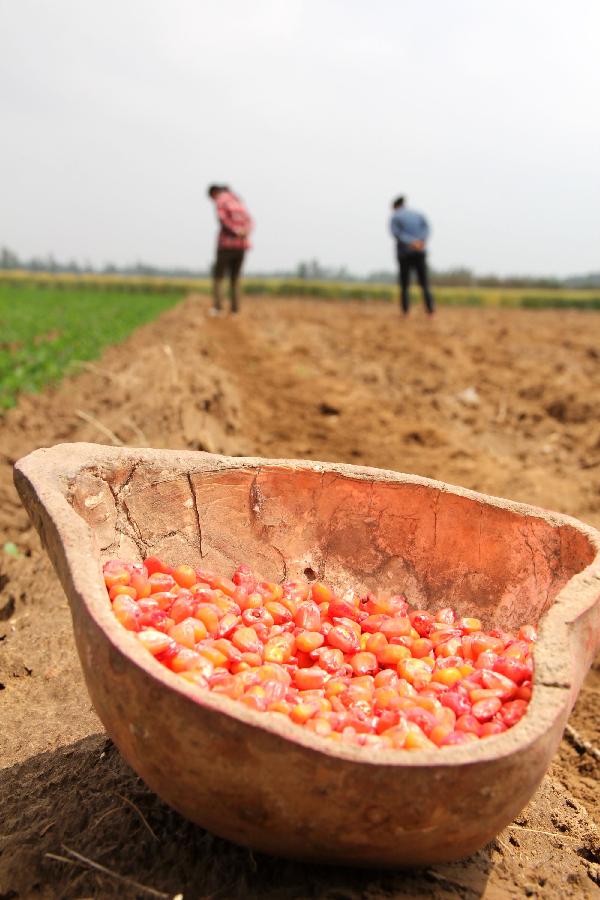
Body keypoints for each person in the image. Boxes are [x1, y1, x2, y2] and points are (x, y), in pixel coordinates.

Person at [207, 184, 253, 315]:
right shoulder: (238, 200)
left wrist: (236, 231)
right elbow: (250, 221)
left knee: (218, 276)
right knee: (235, 277)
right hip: (242, 244)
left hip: (227, 244)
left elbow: (222, 219)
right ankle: (235, 310)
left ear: (214, 193)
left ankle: (218, 308)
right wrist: (244, 232)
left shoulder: (221, 200)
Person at [389, 196, 435, 316]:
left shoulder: (396, 216)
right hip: (420, 251)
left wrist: (410, 242)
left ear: (395, 206)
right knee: (424, 282)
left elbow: (396, 234)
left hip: (404, 253)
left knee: (405, 284)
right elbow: (427, 229)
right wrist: (420, 241)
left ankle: (405, 312)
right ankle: (430, 309)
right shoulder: (418, 214)